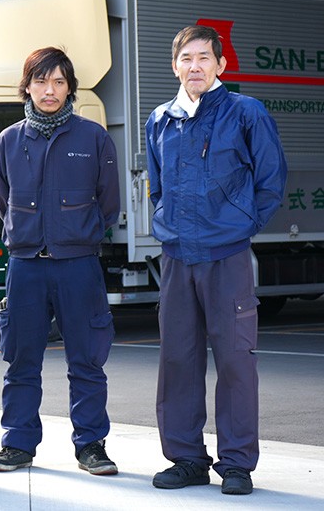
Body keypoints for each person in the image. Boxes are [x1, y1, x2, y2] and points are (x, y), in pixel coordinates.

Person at [146, 25, 287, 496]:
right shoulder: (160, 119)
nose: (195, 66)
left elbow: (270, 181)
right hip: (177, 258)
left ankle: (237, 464)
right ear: (174, 66)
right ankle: (186, 459)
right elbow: (157, 185)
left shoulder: (246, 112)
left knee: (235, 361)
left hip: (226, 255)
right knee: (177, 360)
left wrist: (240, 225)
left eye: (204, 58)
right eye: (186, 58)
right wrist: (166, 221)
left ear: (221, 65)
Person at [0, 47, 120, 476]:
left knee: (86, 360)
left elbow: (109, 204)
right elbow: (3, 204)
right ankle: (18, 444)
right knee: (21, 360)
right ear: (27, 86)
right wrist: (29, 238)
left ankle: (91, 446)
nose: (50, 90)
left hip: (78, 266)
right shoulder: (7, 141)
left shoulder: (93, 137)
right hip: (26, 267)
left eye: (59, 82)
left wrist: (77, 236)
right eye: (41, 81)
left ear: (69, 88)